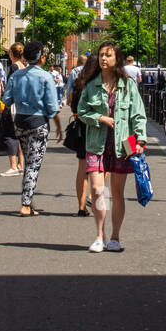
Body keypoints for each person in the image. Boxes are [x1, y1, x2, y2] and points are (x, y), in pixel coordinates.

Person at [78, 41, 148, 252]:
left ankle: (115, 237)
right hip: (96, 143)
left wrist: (140, 141)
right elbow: (81, 111)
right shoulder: (91, 85)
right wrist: (99, 117)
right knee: (98, 190)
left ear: (117, 59)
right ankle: (100, 235)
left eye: (108, 55)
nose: (103, 59)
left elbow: (138, 115)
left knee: (117, 193)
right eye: (101, 55)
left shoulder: (128, 86)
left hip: (123, 144)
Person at [3, 40, 60, 216]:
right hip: (38, 123)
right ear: (41, 57)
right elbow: (52, 106)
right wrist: (58, 126)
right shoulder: (45, 77)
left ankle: (29, 201)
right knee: (33, 165)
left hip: (20, 121)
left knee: (29, 163)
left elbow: (6, 99)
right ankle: (26, 204)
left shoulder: (16, 76)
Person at [67, 51, 98, 214]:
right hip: (97, 128)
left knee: (82, 167)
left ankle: (81, 206)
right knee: (101, 167)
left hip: (81, 128)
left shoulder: (79, 82)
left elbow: (73, 106)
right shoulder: (98, 84)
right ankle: (92, 197)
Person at [0, 43, 26, 176]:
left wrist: (4, 102)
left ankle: (13, 166)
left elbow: (10, 86)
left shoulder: (13, 67)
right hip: (21, 105)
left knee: (9, 134)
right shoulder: (24, 67)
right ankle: (20, 164)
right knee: (19, 136)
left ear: (12, 54)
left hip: (12, 105)